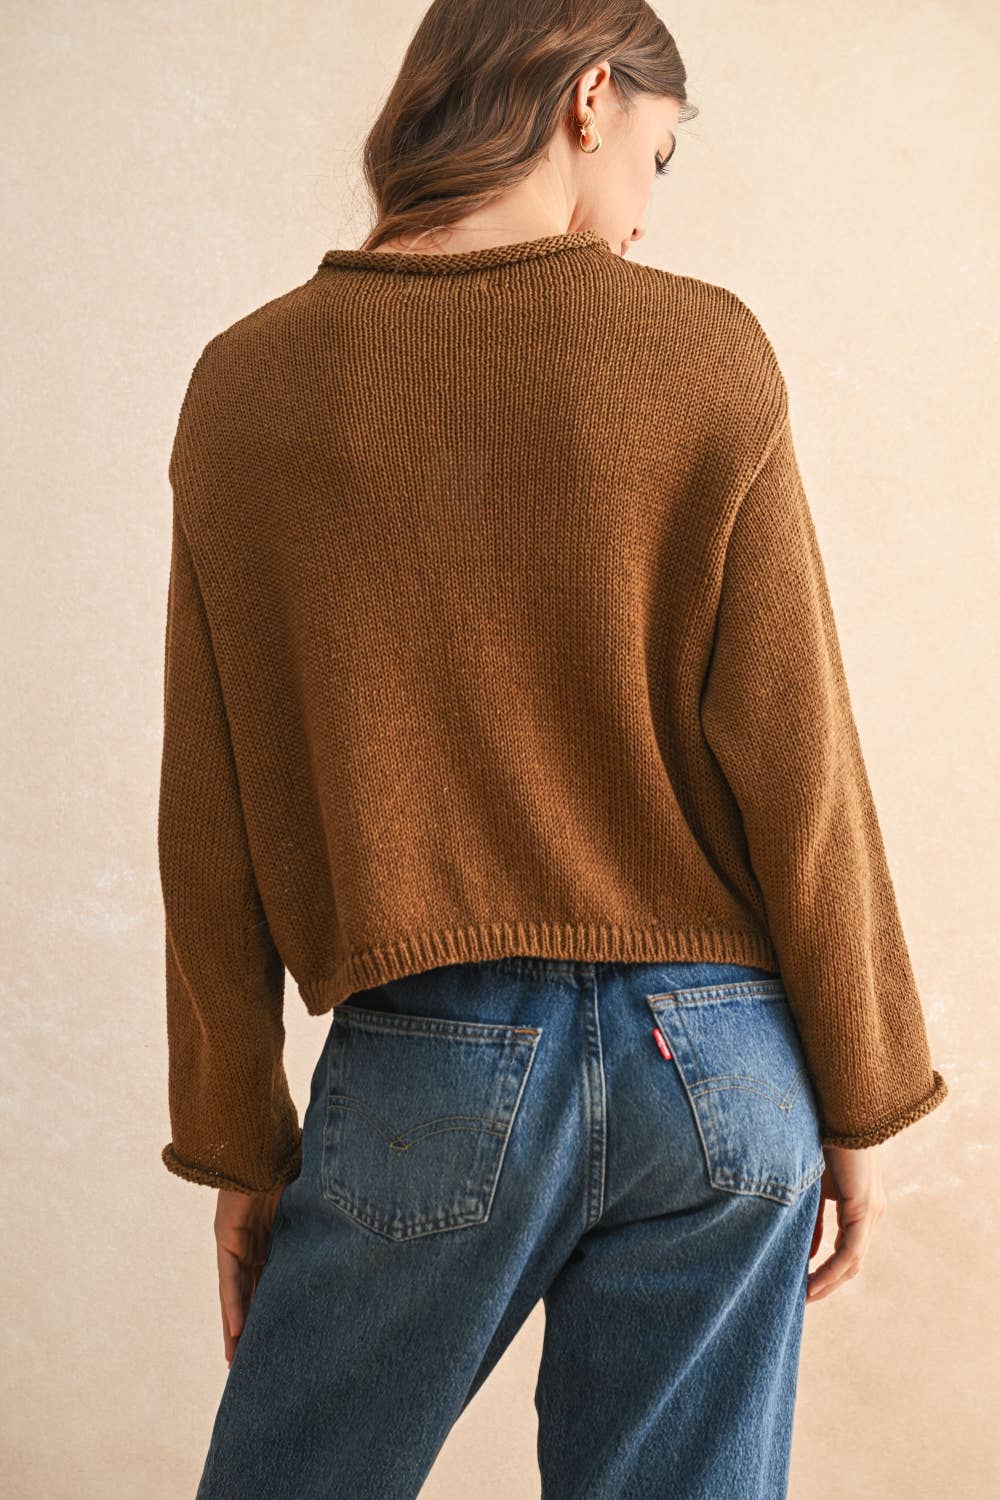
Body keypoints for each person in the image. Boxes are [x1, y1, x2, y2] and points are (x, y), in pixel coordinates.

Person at [156, 3, 948, 1496]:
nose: (645, 216)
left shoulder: (248, 383)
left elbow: (210, 811)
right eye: (657, 157)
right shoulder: (703, 351)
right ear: (591, 98)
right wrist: (860, 1092)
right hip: (723, 1069)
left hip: (432, 1066)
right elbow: (802, 761)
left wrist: (238, 1140)